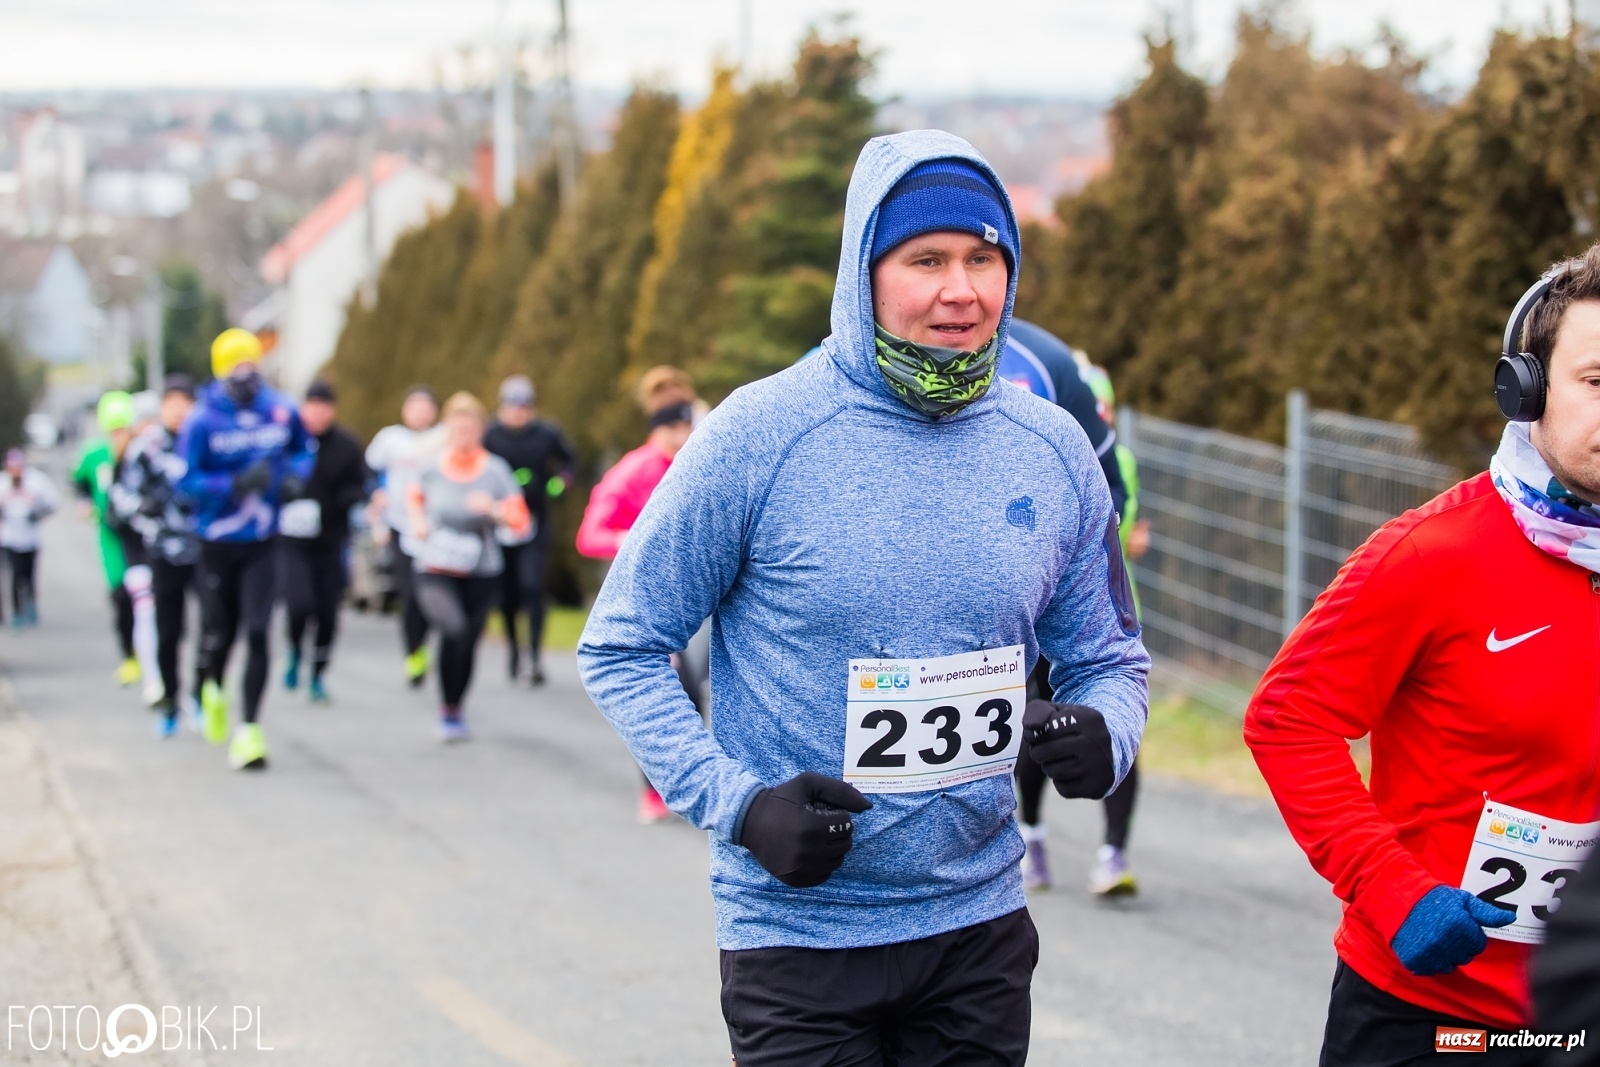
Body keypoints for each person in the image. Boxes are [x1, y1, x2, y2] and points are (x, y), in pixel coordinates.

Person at [579, 131, 1149, 1065]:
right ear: (863, 272)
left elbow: (1110, 656)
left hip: (979, 928)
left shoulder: (1051, 449)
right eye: (926, 260)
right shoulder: (758, 435)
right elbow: (621, 644)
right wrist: (739, 805)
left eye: (983, 258)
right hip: (796, 935)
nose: (960, 289)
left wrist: (1108, 731)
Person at [1244, 249, 1600, 1065]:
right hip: (1433, 1011)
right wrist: (1391, 888)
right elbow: (1287, 720)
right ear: (1528, 390)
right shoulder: (1431, 553)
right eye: (1597, 381)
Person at [995, 323, 1149, 896]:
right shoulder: (1030, 444)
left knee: (1115, 724)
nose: (1100, 412)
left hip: (1102, 608)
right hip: (1035, 609)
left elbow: (1119, 516)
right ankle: (1032, 837)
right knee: (1036, 723)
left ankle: (1114, 853)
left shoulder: (1114, 459)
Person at [179, 328, 313, 770]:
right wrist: (231, 484)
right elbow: (185, 481)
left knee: (259, 630)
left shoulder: (279, 409)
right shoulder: (202, 420)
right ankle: (211, 687)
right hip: (217, 541)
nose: (245, 373)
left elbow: (302, 450)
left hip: (263, 540)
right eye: (235, 365)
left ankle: (250, 729)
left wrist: (295, 477)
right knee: (220, 633)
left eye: (250, 363)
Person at [576, 365, 700, 823]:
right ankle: (653, 790)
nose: (681, 435)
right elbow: (589, 535)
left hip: (701, 600)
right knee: (665, 689)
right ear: (656, 428)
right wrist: (636, 539)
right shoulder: (632, 471)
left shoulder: (701, 463)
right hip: (644, 601)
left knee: (701, 691)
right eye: (673, 427)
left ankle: (703, 786)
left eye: (686, 425)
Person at [406, 392, 530, 741]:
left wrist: (493, 510)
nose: (463, 436)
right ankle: (446, 707)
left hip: (481, 570)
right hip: (435, 567)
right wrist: (418, 520)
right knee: (453, 629)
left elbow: (520, 520)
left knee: (467, 642)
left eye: (470, 430)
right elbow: (414, 496)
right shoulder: (432, 466)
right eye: (457, 429)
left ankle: (454, 707)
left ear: (480, 431)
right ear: (448, 430)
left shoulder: (495, 470)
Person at [111, 375, 201, 736]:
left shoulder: (204, 441)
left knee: (215, 626)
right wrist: (142, 508)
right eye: (172, 403)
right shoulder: (146, 447)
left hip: (207, 548)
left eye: (185, 402)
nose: (178, 410)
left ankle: (202, 692)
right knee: (169, 630)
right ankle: (169, 701)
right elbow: (121, 496)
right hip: (162, 550)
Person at [279, 379, 370, 704]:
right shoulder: (289, 441)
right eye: (312, 405)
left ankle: (318, 673)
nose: (317, 413)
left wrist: (340, 502)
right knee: (300, 603)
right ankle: (293, 651)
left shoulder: (346, 445)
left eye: (324, 406)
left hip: (331, 538)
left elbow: (361, 485)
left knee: (328, 610)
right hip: (292, 540)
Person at [483, 374, 575, 686]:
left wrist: (560, 482)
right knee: (507, 594)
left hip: (536, 520)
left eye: (524, 406)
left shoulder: (546, 434)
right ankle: (513, 649)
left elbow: (568, 461)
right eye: (513, 406)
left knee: (533, 586)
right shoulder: (490, 435)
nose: (518, 413)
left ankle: (534, 655)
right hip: (501, 523)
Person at [365, 386, 446, 688]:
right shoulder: (390, 439)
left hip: (433, 528)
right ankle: (414, 652)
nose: (421, 412)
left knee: (429, 595)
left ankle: (423, 643)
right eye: (415, 406)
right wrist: (376, 494)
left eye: (427, 406)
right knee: (410, 594)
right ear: (404, 410)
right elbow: (369, 469)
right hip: (400, 525)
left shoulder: (443, 439)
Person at [72, 391, 139, 685]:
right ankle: (130, 656)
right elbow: (79, 482)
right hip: (110, 535)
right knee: (120, 595)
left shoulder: (142, 450)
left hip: (140, 533)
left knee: (146, 597)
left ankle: (153, 654)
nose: (118, 436)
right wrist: (84, 502)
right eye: (113, 430)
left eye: (122, 429)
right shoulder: (95, 453)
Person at [0, 447, 58, 627]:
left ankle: (31, 604)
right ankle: (17, 611)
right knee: (15, 575)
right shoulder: (2, 483)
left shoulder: (36, 481)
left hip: (30, 537)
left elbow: (53, 502)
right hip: (8, 537)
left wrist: (37, 515)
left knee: (29, 574)